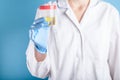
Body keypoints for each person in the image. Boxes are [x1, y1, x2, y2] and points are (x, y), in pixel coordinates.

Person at [26, 0, 120, 80]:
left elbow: (117, 68)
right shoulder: (47, 11)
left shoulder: (109, 13)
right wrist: (40, 50)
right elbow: (38, 72)